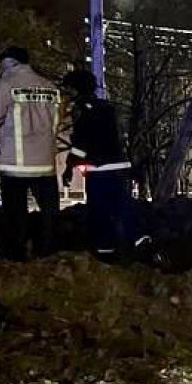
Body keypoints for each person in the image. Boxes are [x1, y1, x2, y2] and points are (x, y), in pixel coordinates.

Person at [0, 46, 60, 261]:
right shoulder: (49, 87)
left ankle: (15, 254)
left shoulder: (6, 84)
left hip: (14, 163)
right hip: (45, 163)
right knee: (49, 213)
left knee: (15, 214)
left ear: (10, 62)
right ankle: (48, 252)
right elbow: (57, 121)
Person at [59, 70, 134, 262]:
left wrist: (69, 167)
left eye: (68, 89)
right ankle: (133, 248)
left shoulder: (82, 108)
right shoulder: (106, 107)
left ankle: (104, 254)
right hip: (120, 166)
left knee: (100, 214)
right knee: (122, 210)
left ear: (76, 89)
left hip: (100, 169)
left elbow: (81, 143)